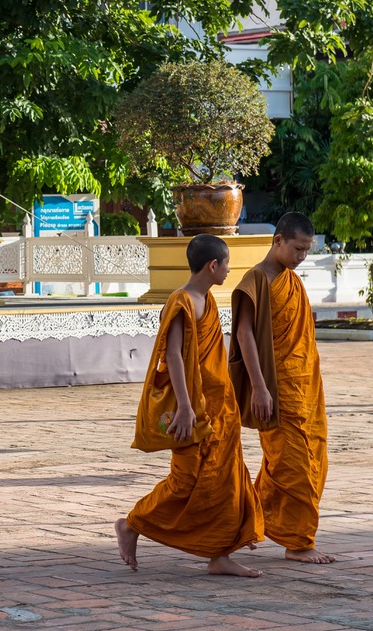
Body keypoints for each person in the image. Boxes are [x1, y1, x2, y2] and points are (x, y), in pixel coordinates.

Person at [115, 234, 264, 577]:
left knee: (225, 481)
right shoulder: (182, 300)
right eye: (226, 265)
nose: (228, 272)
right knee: (185, 481)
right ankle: (132, 523)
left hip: (220, 409)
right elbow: (173, 356)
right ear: (213, 265)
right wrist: (184, 406)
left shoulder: (207, 300)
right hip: (194, 410)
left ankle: (220, 554)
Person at [228, 212, 333, 564]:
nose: (301, 257)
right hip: (275, 387)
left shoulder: (292, 282)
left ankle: (249, 521)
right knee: (294, 467)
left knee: (312, 462)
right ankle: (298, 543)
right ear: (278, 241)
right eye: (297, 249)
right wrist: (259, 387)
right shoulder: (255, 279)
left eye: (306, 250)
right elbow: (243, 335)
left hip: (305, 388)